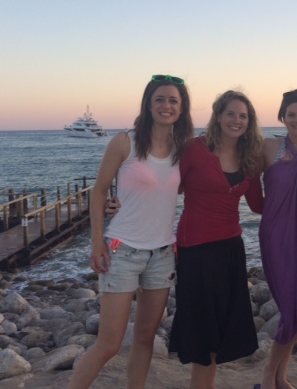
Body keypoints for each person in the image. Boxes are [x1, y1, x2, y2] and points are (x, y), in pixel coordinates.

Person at [68, 74, 194, 389]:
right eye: (160, 99)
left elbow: (176, 190)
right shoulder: (125, 142)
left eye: (173, 100)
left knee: (146, 336)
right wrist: (97, 242)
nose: (166, 106)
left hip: (163, 253)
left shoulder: (182, 149)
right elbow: (99, 192)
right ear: (148, 104)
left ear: (182, 108)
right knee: (109, 343)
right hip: (122, 250)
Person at [169, 90, 264, 389]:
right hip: (195, 250)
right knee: (203, 334)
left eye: (243, 116)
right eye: (231, 113)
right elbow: (166, 188)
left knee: (220, 332)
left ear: (249, 122)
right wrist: (121, 203)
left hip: (231, 250)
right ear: (218, 116)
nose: (237, 120)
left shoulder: (250, 158)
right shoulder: (195, 149)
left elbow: (259, 205)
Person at [258, 89, 297, 389]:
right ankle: (268, 374)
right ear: (282, 117)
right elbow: (240, 178)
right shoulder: (267, 147)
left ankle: (281, 376)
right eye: (292, 114)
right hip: (276, 238)